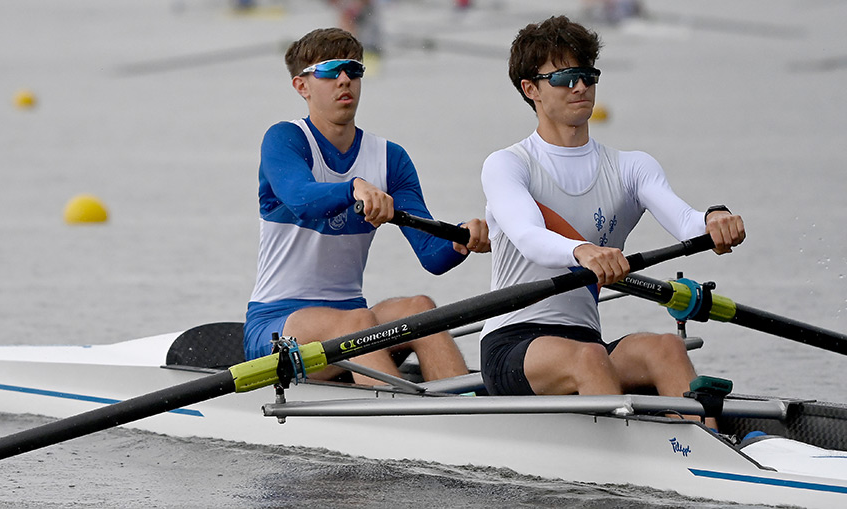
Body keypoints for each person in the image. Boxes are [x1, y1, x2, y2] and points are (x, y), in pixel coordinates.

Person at [479, 16, 745, 424]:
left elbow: (687, 221)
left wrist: (715, 218)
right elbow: (529, 236)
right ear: (530, 89)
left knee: (665, 348)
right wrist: (583, 251)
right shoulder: (508, 165)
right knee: (589, 358)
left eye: (587, 75)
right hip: (514, 343)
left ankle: (707, 446)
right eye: (565, 77)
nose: (580, 86)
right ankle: (638, 463)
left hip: (588, 344)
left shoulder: (631, 167)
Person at [246, 27, 489, 385]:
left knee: (420, 307)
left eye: (354, 70)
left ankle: (468, 412)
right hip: (277, 328)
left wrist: (459, 241)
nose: (345, 79)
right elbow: (301, 200)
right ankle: (405, 426)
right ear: (302, 86)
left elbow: (431, 256)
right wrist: (353, 188)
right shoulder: (285, 139)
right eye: (330, 71)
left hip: (354, 325)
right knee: (358, 322)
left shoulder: (390, 159)